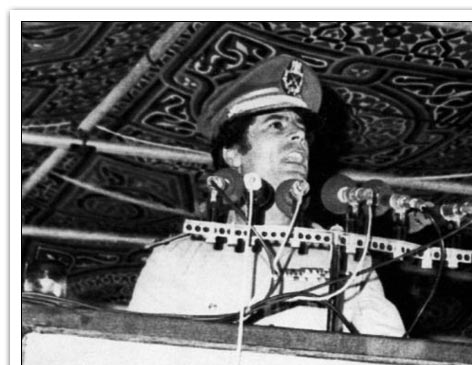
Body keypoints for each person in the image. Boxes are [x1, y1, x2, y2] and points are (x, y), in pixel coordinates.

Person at [128, 54, 404, 337]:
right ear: (233, 154)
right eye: (277, 125)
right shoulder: (178, 258)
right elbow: (137, 353)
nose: (299, 135)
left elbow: (389, 351)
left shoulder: (346, 258)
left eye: (301, 128)